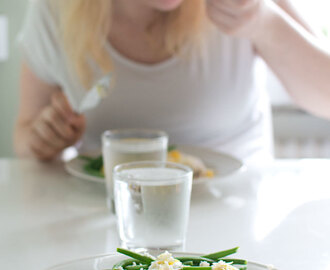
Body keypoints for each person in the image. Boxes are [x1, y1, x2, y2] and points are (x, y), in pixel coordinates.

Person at [14, 0, 330, 164]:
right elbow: (25, 133)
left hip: (239, 209)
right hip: (111, 216)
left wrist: (265, 23)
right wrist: (42, 140)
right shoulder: (58, 9)